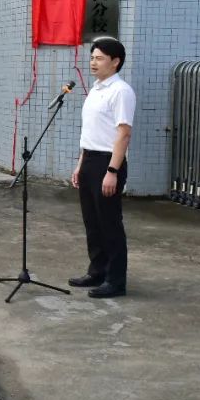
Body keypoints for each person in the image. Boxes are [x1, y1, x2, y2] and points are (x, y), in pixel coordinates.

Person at [69, 37, 136, 299]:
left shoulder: (121, 91)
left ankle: (116, 281)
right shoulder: (96, 89)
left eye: (99, 58)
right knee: (92, 222)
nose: (93, 63)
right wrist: (80, 164)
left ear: (115, 61)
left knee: (109, 223)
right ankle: (97, 270)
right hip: (90, 160)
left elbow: (123, 134)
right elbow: (91, 133)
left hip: (108, 162)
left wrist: (112, 171)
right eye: (92, 57)